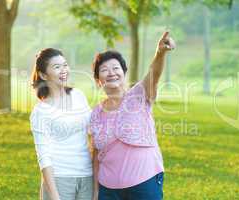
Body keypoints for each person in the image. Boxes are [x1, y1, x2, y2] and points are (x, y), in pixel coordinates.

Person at [90, 31, 176, 200]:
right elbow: (95, 155)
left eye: (116, 68)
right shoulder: (96, 113)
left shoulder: (138, 95)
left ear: (124, 73)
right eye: (104, 70)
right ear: (98, 80)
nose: (111, 73)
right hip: (108, 190)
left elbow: (154, 75)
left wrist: (160, 53)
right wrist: (95, 190)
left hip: (144, 184)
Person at [30, 48, 93, 200]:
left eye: (65, 65)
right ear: (43, 75)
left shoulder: (78, 95)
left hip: (87, 176)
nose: (63, 70)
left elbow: (93, 131)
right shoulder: (41, 111)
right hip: (60, 178)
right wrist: (54, 196)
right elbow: (43, 158)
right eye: (57, 67)